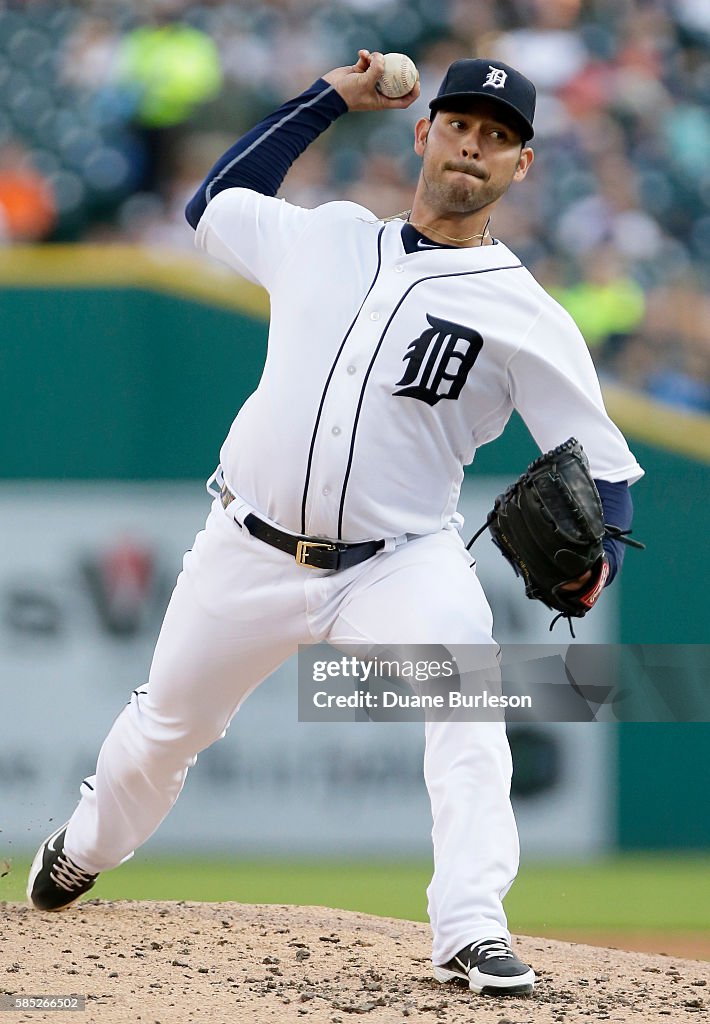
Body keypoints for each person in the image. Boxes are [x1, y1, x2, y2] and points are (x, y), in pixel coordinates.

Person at [28, 52, 643, 998]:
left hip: (398, 561)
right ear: (423, 133)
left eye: (500, 137)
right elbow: (215, 205)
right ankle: (82, 848)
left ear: (523, 168)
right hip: (246, 546)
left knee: (472, 705)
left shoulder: (526, 312)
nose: (474, 146)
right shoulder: (329, 237)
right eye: (462, 125)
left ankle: (472, 928)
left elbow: (604, 466)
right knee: (165, 732)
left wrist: (599, 557)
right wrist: (329, 100)